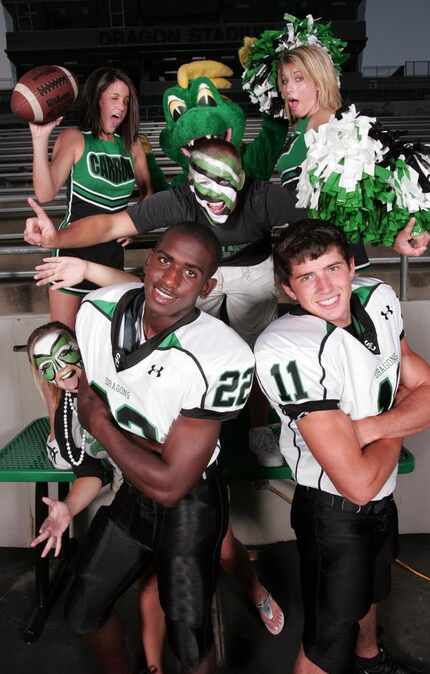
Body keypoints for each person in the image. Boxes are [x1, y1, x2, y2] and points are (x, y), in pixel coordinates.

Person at [33, 254, 285, 673]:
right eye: (49, 367)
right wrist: (67, 510)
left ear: (84, 343)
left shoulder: (115, 349)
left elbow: (145, 294)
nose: (63, 370)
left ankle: (255, 587)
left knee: (218, 562)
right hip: (135, 497)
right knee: (97, 604)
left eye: (66, 354)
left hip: (189, 488)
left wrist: (88, 271)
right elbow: (91, 471)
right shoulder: (67, 413)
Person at [25, 137, 307, 464]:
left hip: (251, 270)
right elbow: (113, 224)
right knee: (186, 346)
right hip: (198, 275)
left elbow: (320, 219)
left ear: (242, 179)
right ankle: (174, 428)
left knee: (257, 349)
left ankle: (258, 429)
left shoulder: (265, 197)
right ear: (189, 183)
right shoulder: (179, 200)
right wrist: (57, 237)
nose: (214, 196)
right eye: (204, 185)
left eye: (224, 184)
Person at [254, 218, 430, 674]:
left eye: (333, 268)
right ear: (289, 289)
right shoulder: (286, 347)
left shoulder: (378, 297)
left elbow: (425, 384)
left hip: (384, 493)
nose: (326, 286)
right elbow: (356, 483)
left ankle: (370, 659)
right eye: (307, 276)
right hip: (333, 511)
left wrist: (370, 428)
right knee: (326, 642)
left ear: (353, 266)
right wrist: (400, 417)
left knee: (370, 592)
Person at [30, 66, 152, 459]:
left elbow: (149, 193)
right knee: (57, 350)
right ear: (97, 97)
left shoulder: (133, 146)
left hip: (109, 261)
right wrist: (39, 139)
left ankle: (98, 429)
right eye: (114, 97)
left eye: (126, 99)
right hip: (70, 255)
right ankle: (58, 436)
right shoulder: (74, 138)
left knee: (102, 351)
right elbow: (47, 192)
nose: (121, 105)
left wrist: (136, 221)